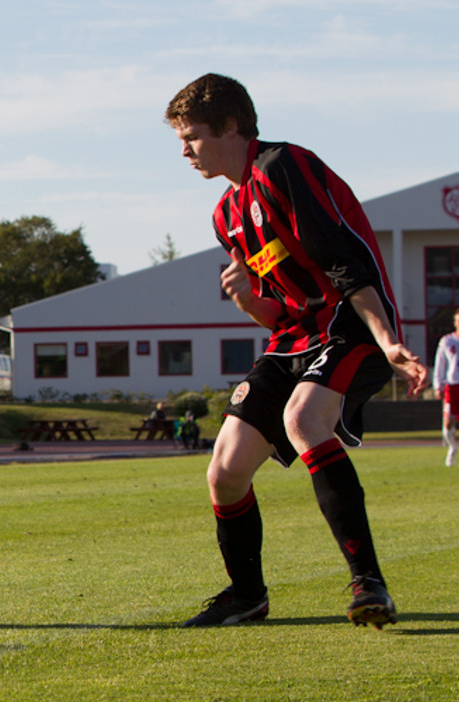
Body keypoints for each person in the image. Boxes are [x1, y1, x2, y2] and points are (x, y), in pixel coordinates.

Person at [165, 74, 428, 629]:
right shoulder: (225, 215)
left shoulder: (283, 166)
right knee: (224, 470)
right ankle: (247, 596)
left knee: (304, 419)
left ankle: (368, 584)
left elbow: (343, 263)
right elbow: (278, 313)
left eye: (192, 136)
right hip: (294, 340)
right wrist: (247, 301)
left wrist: (388, 341)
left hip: (350, 326)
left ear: (231, 126)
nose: (184, 151)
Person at [433, 308, 459, 466]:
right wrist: (438, 385)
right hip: (452, 385)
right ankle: (452, 447)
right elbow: (440, 364)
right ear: (455, 322)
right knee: (448, 421)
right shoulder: (447, 341)